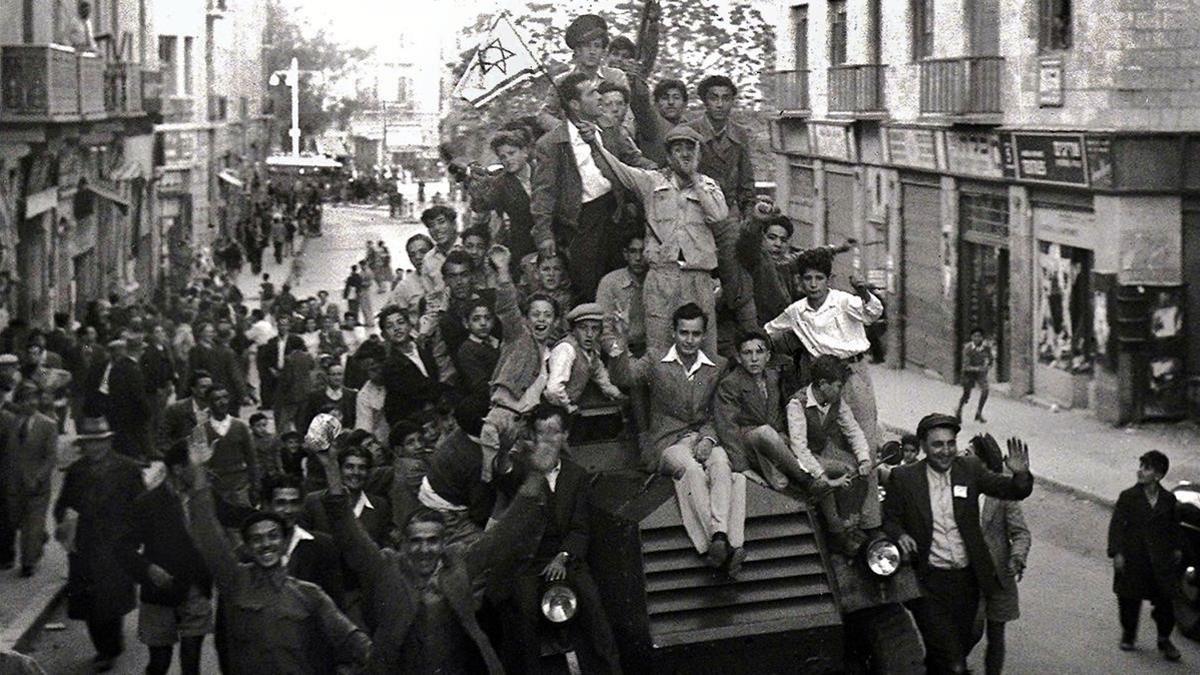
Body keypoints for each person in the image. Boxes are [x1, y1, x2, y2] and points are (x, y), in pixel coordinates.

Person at [313, 422, 551, 674]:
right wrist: (330, 467)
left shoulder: (458, 564)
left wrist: (536, 475)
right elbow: (349, 533)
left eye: (432, 541)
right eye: (416, 541)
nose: (424, 549)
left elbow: (504, 535)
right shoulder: (386, 568)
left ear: (443, 542)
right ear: (403, 543)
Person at [183, 438, 371, 674]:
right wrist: (198, 473)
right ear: (247, 548)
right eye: (257, 539)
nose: (266, 544)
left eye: (273, 536)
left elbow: (349, 636)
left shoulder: (309, 593)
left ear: (284, 543)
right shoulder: (236, 581)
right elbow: (208, 534)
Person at [882, 413, 1033, 674]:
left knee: (958, 648)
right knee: (953, 660)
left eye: (950, 443)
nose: (946, 451)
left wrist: (1021, 475)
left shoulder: (969, 469)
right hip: (928, 583)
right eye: (937, 444)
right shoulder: (905, 477)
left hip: (967, 581)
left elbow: (1010, 490)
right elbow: (890, 518)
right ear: (924, 446)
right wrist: (900, 535)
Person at [610, 303, 747, 574]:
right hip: (668, 442)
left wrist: (708, 439)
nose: (689, 340)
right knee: (691, 470)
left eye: (696, 334)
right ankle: (721, 541)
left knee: (721, 464)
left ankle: (718, 540)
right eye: (684, 333)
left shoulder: (717, 366)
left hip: (704, 436)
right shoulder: (655, 360)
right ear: (674, 332)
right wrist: (621, 337)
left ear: (703, 335)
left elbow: (719, 412)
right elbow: (623, 376)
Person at [495, 405, 622, 674]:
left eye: (554, 432)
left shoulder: (576, 475)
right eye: (541, 433)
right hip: (528, 561)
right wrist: (504, 452)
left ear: (565, 435)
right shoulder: (524, 470)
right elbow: (504, 476)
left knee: (594, 609)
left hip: (565, 558)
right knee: (525, 614)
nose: (547, 440)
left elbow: (580, 527)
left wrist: (563, 556)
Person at [589, 122, 730, 356]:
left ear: (698, 154)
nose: (685, 153)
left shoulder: (709, 185)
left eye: (690, 148)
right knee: (659, 349)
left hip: (699, 277)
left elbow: (718, 215)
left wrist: (695, 178)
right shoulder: (652, 182)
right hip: (662, 276)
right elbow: (617, 170)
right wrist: (594, 144)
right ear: (668, 155)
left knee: (704, 351)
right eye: (678, 149)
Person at [530, 72, 657, 303]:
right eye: (592, 93)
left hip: (617, 213)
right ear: (575, 104)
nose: (600, 97)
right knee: (588, 284)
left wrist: (660, 171)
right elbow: (543, 193)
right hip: (582, 222)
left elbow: (632, 159)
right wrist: (544, 234)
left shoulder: (608, 126)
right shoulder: (551, 144)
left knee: (621, 277)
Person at [765, 248, 885, 452]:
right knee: (833, 437)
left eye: (819, 278)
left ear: (829, 279)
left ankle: (869, 483)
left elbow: (873, 313)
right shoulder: (796, 311)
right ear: (800, 281)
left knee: (863, 436)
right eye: (808, 278)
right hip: (823, 379)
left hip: (853, 372)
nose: (813, 284)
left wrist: (864, 292)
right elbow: (767, 331)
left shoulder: (843, 301)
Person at [114, 440, 212, 675]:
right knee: (159, 662)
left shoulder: (205, 496)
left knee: (191, 662)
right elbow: (123, 547)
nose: (204, 472)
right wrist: (148, 570)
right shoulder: (147, 503)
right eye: (197, 466)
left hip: (196, 588)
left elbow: (233, 516)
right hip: (159, 594)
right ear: (178, 469)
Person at [54, 417, 144, 672]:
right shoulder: (76, 471)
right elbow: (62, 504)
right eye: (90, 443)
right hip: (84, 545)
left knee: (110, 601)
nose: (95, 448)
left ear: (109, 442)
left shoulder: (128, 469)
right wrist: (65, 521)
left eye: (100, 442)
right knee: (90, 602)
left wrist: (134, 538)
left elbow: (141, 507)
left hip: (116, 545)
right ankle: (104, 647)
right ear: (84, 444)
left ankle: (110, 648)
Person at [713, 332, 824, 500]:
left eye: (759, 352)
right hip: (747, 440)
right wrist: (741, 466)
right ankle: (805, 479)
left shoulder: (773, 377)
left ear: (768, 356)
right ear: (738, 357)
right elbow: (727, 427)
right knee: (765, 433)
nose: (754, 358)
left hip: (774, 441)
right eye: (747, 353)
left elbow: (781, 413)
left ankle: (793, 492)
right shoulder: (731, 383)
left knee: (778, 478)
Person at [785, 355, 877, 552]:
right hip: (800, 458)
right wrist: (820, 473)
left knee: (853, 469)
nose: (840, 390)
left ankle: (849, 523)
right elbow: (799, 447)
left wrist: (864, 457)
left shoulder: (836, 401)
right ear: (823, 384)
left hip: (821, 451)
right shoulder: (797, 404)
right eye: (837, 386)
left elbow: (853, 430)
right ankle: (837, 534)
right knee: (827, 483)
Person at [1107, 450, 1184, 661]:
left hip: (1159, 560)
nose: (1140, 471)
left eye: (1146, 468)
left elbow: (1174, 527)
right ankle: (1129, 634)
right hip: (1134, 557)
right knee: (1129, 600)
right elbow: (1116, 526)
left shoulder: (1168, 500)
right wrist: (1117, 552)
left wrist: (1177, 548)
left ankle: (1164, 639)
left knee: (1166, 602)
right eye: (1140, 466)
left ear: (1158, 475)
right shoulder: (1128, 497)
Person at [968, 433, 1032, 675]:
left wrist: (1017, 558)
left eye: (970, 453)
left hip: (998, 576)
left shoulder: (1001, 493)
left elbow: (1021, 533)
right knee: (971, 631)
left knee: (996, 636)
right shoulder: (960, 485)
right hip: (969, 576)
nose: (964, 456)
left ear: (983, 462)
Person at [1, 382, 58, 576]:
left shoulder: (48, 425)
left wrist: (39, 477)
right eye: (26, 399)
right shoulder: (12, 423)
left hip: (37, 486)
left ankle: (28, 563)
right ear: (19, 402)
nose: (30, 403)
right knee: (17, 521)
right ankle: (39, 537)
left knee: (32, 524)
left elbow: (51, 457)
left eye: (34, 399)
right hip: (14, 485)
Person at [537, 13, 631, 132]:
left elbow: (628, 114)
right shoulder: (562, 81)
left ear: (603, 51)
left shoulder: (615, 77)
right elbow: (544, 115)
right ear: (577, 50)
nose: (592, 51)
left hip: (611, 139)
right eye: (587, 46)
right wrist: (570, 131)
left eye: (597, 46)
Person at [467, 130, 537, 273]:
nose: (508, 160)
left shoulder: (542, 171)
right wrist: (475, 189)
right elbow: (481, 206)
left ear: (524, 151)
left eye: (512, 153)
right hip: (523, 245)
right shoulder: (500, 184)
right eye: (503, 157)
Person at [545, 302, 624, 413]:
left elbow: (600, 376)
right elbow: (553, 389)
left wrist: (618, 395)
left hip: (565, 409)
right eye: (583, 328)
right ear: (573, 330)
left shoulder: (592, 352)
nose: (589, 334)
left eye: (595, 329)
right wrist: (568, 406)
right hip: (548, 410)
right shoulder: (566, 349)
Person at [378, 305, 441, 427]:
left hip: (434, 413)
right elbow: (420, 391)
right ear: (384, 335)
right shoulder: (390, 366)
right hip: (412, 421)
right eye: (390, 326)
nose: (396, 328)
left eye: (400, 323)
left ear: (409, 325)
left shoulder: (423, 348)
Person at [202, 384, 258, 507]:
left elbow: (251, 458)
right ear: (208, 403)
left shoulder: (240, 426)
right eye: (217, 399)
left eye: (225, 398)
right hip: (216, 487)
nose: (223, 402)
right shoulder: (202, 430)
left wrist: (255, 485)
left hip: (240, 484)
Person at [453, 298, 500, 407]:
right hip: (486, 402)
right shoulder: (467, 349)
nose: (483, 323)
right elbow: (480, 386)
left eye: (487, 318)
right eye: (476, 319)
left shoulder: (497, 342)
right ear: (466, 323)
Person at [418, 205, 462, 318]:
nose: (437, 228)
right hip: (446, 317)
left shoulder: (469, 246)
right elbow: (430, 295)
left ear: (454, 224)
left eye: (441, 222)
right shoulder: (428, 260)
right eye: (431, 225)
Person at [298, 361, 357, 436]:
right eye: (333, 375)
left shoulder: (351, 395)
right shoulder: (315, 396)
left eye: (339, 374)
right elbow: (307, 420)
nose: (337, 378)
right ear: (327, 376)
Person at [958, 328, 993, 423]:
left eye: (979, 336)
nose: (977, 339)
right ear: (971, 337)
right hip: (968, 373)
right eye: (975, 336)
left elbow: (991, 359)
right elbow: (966, 366)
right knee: (966, 395)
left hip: (980, 374)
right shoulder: (968, 348)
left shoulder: (986, 348)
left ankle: (979, 413)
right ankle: (959, 411)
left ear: (982, 337)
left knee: (985, 390)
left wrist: (988, 366)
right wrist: (978, 368)